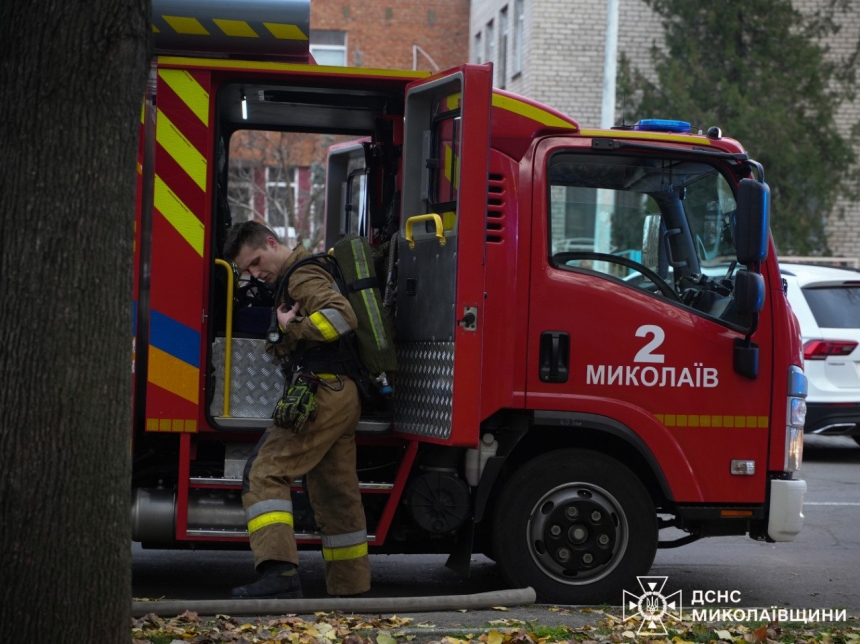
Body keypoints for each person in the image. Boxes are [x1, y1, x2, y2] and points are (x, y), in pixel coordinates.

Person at [223, 221, 370, 599]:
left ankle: (279, 574)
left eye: (256, 262)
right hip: (342, 393)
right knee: (335, 493)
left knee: (264, 472)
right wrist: (283, 333)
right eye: (246, 271)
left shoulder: (301, 275)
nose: (255, 274)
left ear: (272, 243)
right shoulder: (298, 276)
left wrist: (293, 326)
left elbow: (341, 317)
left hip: (322, 392)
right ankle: (350, 587)